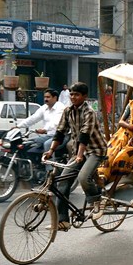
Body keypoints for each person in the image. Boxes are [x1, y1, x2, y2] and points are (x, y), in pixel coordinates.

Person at [43, 82, 107, 231]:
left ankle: (98, 201)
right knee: (63, 182)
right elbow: (60, 132)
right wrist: (51, 151)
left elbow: (84, 136)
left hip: (96, 150)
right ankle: (63, 220)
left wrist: (78, 156)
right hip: (80, 151)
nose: (73, 97)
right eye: (71, 94)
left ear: (84, 96)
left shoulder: (89, 112)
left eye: (76, 94)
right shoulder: (68, 111)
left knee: (83, 177)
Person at [97, 90, 133, 184]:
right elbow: (121, 121)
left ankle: (114, 184)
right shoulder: (132, 104)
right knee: (109, 152)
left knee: (123, 156)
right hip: (124, 133)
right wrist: (129, 126)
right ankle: (102, 177)